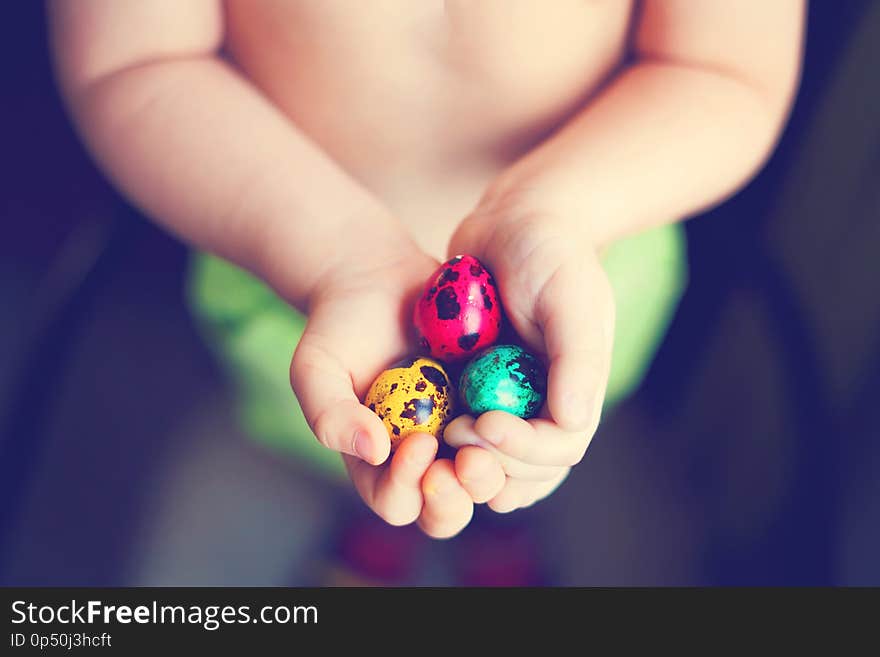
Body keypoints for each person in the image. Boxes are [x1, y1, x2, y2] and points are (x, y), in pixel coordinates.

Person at [48, 1, 804, 539]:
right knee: (354, 460)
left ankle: (496, 536)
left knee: (517, 459)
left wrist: (553, 211)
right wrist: (333, 249)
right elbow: (134, 62)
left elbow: (725, 67)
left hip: (580, 266)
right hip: (294, 282)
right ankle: (373, 536)